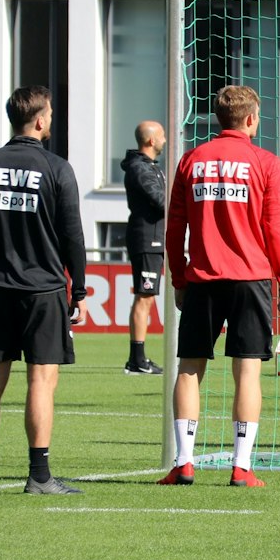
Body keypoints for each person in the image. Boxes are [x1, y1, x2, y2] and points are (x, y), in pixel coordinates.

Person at [160, 85, 280, 488]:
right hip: (250, 279)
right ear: (251, 119)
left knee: (189, 369)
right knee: (248, 372)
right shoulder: (265, 162)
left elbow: (174, 228)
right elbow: (277, 231)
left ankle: (184, 463)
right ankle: (241, 466)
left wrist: (179, 278)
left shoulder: (192, 159)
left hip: (202, 278)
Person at [0, 85, 88, 494]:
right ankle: (39, 475)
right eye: (48, 113)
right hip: (42, 289)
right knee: (41, 379)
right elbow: (73, 237)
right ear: (38, 120)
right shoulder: (56, 168)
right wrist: (79, 291)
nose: (50, 119)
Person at [121, 120, 167, 376]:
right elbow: (160, 201)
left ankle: (137, 359)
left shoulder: (149, 167)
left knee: (147, 296)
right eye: (162, 135)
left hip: (154, 238)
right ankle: (137, 360)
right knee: (144, 296)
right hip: (147, 239)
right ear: (151, 140)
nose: (165, 140)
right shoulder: (140, 169)